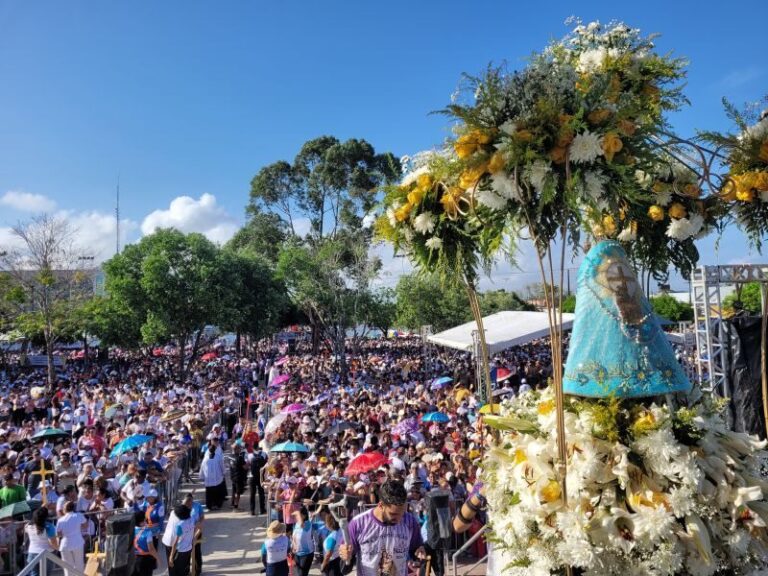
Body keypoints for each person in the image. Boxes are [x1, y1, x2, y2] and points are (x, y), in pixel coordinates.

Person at [340, 479, 426, 576]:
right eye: (393, 514)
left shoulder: (410, 522)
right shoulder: (358, 524)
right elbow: (344, 568)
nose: (399, 519)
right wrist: (345, 556)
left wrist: (419, 552)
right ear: (380, 505)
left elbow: (416, 550)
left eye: (402, 513)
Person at [56, 501, 87, 576]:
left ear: (65, 509)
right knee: (79, 565)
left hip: (65, 544)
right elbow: (85, 525)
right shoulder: (79, 515)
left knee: (67, 568)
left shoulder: (60, 520)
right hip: (77, 542)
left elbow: (58, 534)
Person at [24, 507, 58, 576]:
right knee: (46, 574)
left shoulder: (28, 526)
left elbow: (26, 529)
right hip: (47, 553)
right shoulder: (49, 526)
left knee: (34, 574)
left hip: (32, 553)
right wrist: (58, 548)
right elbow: (53, 543)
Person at [164, 504, 194, 576]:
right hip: (188, 548)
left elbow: (175, 542)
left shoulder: (180, 525)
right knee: (183, 569)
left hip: (180, 551)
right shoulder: (191, 519)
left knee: (175, 571)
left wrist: (171, 557)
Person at [199, 441, 227, 510]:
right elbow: (222, 466)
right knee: (217, 492)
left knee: (209, 493)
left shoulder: (205, 459)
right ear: (214, 450)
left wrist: (201, 476)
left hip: (209, 480)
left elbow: (202, 468)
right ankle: (217, 504)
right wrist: (223, 472)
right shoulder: (218, 457)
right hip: (217, 479)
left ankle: (210, 505)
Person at [183, 493, 205, 576]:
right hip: (186, 533)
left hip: (197, 531)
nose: (189, 502)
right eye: (188, 501)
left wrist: (200, 523)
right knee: (186, 552)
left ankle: (197, 569)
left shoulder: (197, 505)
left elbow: (202, 516)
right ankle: (187, 570)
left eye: (191, 500)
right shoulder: (183, 507)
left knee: (197, 551)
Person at [133, 511, 160, 576]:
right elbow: (151, 549)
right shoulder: (148, 532)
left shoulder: (132, 530)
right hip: (145, 560)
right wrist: (158, 559)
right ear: (143, 520)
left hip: (134, 559)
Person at [290, 507, 314, 576]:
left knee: (301, 574)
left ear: (304, 516)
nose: (296, 517)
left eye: (298, 515)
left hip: (306, 555)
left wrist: (297, 512)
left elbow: (301, 524)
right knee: (298, 574)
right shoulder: (296, 524)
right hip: (297, 554)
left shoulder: (307, 524)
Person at [319, 511, 342, 576]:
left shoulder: (332, 537)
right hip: (338, 560)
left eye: (326, 522)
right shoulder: (341, 531)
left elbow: (328, 554)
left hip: (332, 564)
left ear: (329, 524)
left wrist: (323, 565)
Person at [249, 445, 267, 515]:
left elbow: (247, 465)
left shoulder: (250, 455)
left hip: (251, 477)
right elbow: (266, 465)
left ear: (253, 448)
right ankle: (262, 509)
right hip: (260, 476)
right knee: (261, 493)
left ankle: (252, 511)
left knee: (252, 494)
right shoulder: (264, 454)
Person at [230, 443, 247, 509]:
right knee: (238, 492)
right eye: (239, 448)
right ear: (237, 449)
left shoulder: (231, 456)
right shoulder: (240, 458)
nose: (240, 449)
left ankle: (232, 503)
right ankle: (236, 505)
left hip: (232, 476)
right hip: (239, 477)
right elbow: (245, 467)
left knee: (234, 490)